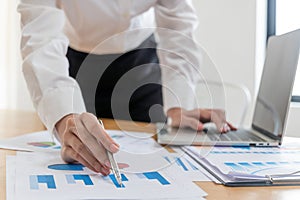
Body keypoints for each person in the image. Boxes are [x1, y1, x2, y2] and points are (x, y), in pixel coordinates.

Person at [18, 0, 235, 175]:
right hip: (76, 65)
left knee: (150, 164)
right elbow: (40, 38)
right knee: (79, 151)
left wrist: (179, 105)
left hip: (141, 66)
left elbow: (178, 26)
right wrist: (63, 116)